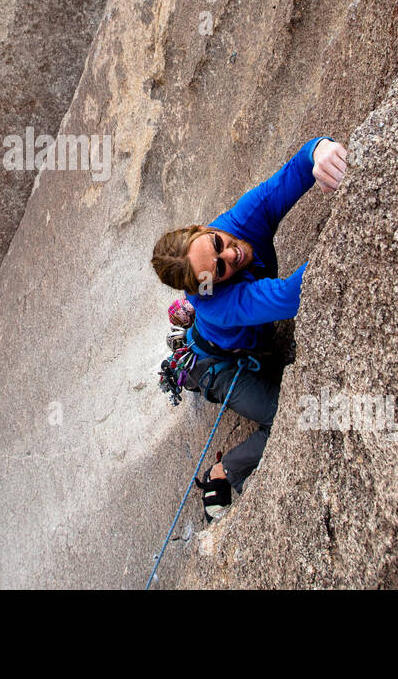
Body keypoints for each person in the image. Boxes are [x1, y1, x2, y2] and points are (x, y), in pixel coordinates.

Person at [150, 136, 348, 513]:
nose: (232, 252)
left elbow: (295, 171)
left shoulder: (235, 224)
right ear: (209, 286)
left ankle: (186, 338)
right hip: (221, 368)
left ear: (203, 228)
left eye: (217, 241)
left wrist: (320, 152)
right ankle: (223, 472)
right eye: (220, 267)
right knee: (294, 415)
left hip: (230, 340)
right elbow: (292, 295)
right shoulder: (220, 305)